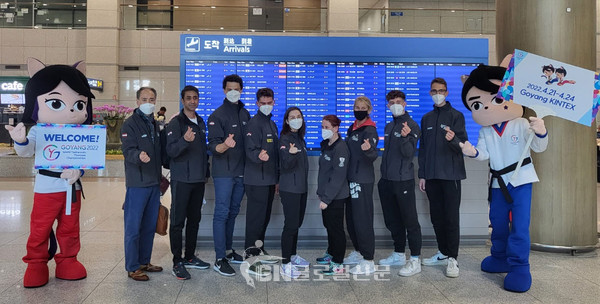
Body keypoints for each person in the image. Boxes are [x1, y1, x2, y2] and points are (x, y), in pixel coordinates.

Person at [6, 59, 95, 288]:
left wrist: (79, 170)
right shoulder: (39, 130)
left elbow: (86, 159)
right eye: (56, 103)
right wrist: (20, 140)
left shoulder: (83, 133)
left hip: (72, 189)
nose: (71, 111)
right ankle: (36, 263)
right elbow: (26, 151)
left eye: (79, 104)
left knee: (70, 228)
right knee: (40, 228)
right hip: (46, 187)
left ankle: (67, 259)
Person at [460, 62, 548, 292]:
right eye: (477, 104)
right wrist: (474, 152)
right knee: (498, 223)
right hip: (498, 183)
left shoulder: (521, 124)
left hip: (521, 181)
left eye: (496, 99)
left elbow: (539, 147)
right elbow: (485, 153)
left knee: (519, 225)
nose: (487, 107)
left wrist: (541, 131)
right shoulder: (485, 131)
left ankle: (519, 267)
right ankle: (499, 257)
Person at [418, 77, 467, 278]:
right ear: (431, 93)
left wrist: (453, 139)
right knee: (436, 217)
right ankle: (443, 252)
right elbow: (423, 150)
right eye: (434, 90)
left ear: (447, 93)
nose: (438, 93)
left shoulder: (457, 116)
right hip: (431, 176)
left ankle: (453, 259)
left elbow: (463, 143)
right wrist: (422, 174)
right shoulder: (427, 118)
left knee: (451, 218)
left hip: (451, 176)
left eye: (441, 90)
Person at [207, 74, 250, 276]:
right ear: (224, 90)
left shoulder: (245, 113)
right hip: (224, 172)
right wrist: (224, 145)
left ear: (241, 90)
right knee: (222, 213)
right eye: (230, 88)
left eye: (237, 88)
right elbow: (213, 146)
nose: (233, 91)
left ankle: (228, 250)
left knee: (233, 212)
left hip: (241, 172)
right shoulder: (217, 116)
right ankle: (219, 258)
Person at [165, 86, 210, 280]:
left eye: (195, 98)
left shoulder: (200, 121)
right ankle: (177, 261)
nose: (192, 101)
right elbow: (171, 151)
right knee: (177, 222)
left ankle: (190, 256)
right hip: (181, 180)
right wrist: (184, 140)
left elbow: (203, 152)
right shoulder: (176, 123)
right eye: (189, 98)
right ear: (182, 100)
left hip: (198, 180)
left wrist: (205, 174)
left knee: (194, 220)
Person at [378, 90, 423, 277]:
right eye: (391, 102)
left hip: (403, 181)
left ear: (404, 103)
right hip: (387, 181)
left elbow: (408, 153)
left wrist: (406, 137)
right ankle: (398, 253)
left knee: (410, 220)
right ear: (388, 105)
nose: (395, 104)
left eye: (398, 101)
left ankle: (415, 259)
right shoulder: (389, 127)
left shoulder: (412, 125)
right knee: (392, 220)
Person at [121, 87, 164, 281]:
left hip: (153, 183)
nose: (149, 102)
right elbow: (128, 150)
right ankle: (132, 266)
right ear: (137, 101)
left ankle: (144, 261)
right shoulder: (130, 124)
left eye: (152, 99)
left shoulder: (154, 123)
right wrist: (138, 155)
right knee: (133, 227)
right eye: (145, 98)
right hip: (137, 183)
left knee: (148, 226)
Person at [243, 88, 279, 265]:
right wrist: (259, 156)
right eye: (263, 103)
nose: (266, 106)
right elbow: (249, 150)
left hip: (269, 179)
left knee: (264, 218)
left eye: (269, 103)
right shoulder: (254, 123)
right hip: (256, 179)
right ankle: (251, 255)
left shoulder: (271, 124)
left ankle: (259, 248)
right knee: (255, 219)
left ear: (273, 102)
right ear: (257, 104)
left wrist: (277, 179)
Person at [344, 96, 378, 275]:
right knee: (352, 219)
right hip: (350, 178)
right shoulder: (353, 127)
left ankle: (368, 259)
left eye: (362, 107)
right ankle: (358, 252)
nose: (359, 109)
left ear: (369, 110)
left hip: (362, 180)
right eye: (356, 106)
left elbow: (373, 155)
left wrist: (369, 150)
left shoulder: (370, 130)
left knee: (363, 219)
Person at [278, 107, 310, 279]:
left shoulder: (300, 139)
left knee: (296, 224)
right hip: (290, 189)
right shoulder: (285, 139)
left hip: (301, 189)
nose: (296, 119)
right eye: (292, 117)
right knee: (290, 226)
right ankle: (285, 263)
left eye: (299, 116)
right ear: (287, 121)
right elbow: (285, 165)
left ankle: (293, 255)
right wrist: (290, 155)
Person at [317, 115, 350, 276]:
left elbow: (338, 176)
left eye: (327, 127)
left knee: (336, 229)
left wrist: (327, 198)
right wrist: (321, 194)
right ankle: (331, 253)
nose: (324, 130)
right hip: (325, 196)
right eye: (322, 127)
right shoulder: (327, 145)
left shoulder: (341, 148)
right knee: (329, 226)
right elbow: (324, 173)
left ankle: (338, 262)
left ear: (336, 129)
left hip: (335, 197)